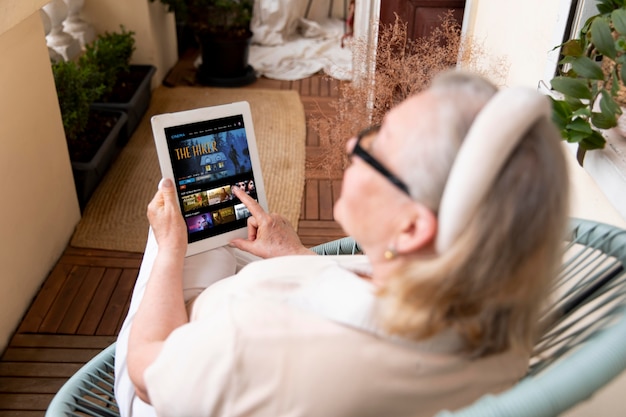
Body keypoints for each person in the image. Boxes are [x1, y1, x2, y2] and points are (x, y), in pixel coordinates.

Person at [114, 70, 570, 417]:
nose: (353, 145)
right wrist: (293, 255)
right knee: (224, 236)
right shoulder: (495, 327)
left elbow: (147, 371)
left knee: (186, 231)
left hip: (168, 376)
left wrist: (170, 251)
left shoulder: (253, 345)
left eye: (377, 144)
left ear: (411, 229)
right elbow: (372, 304)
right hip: (224, 352)